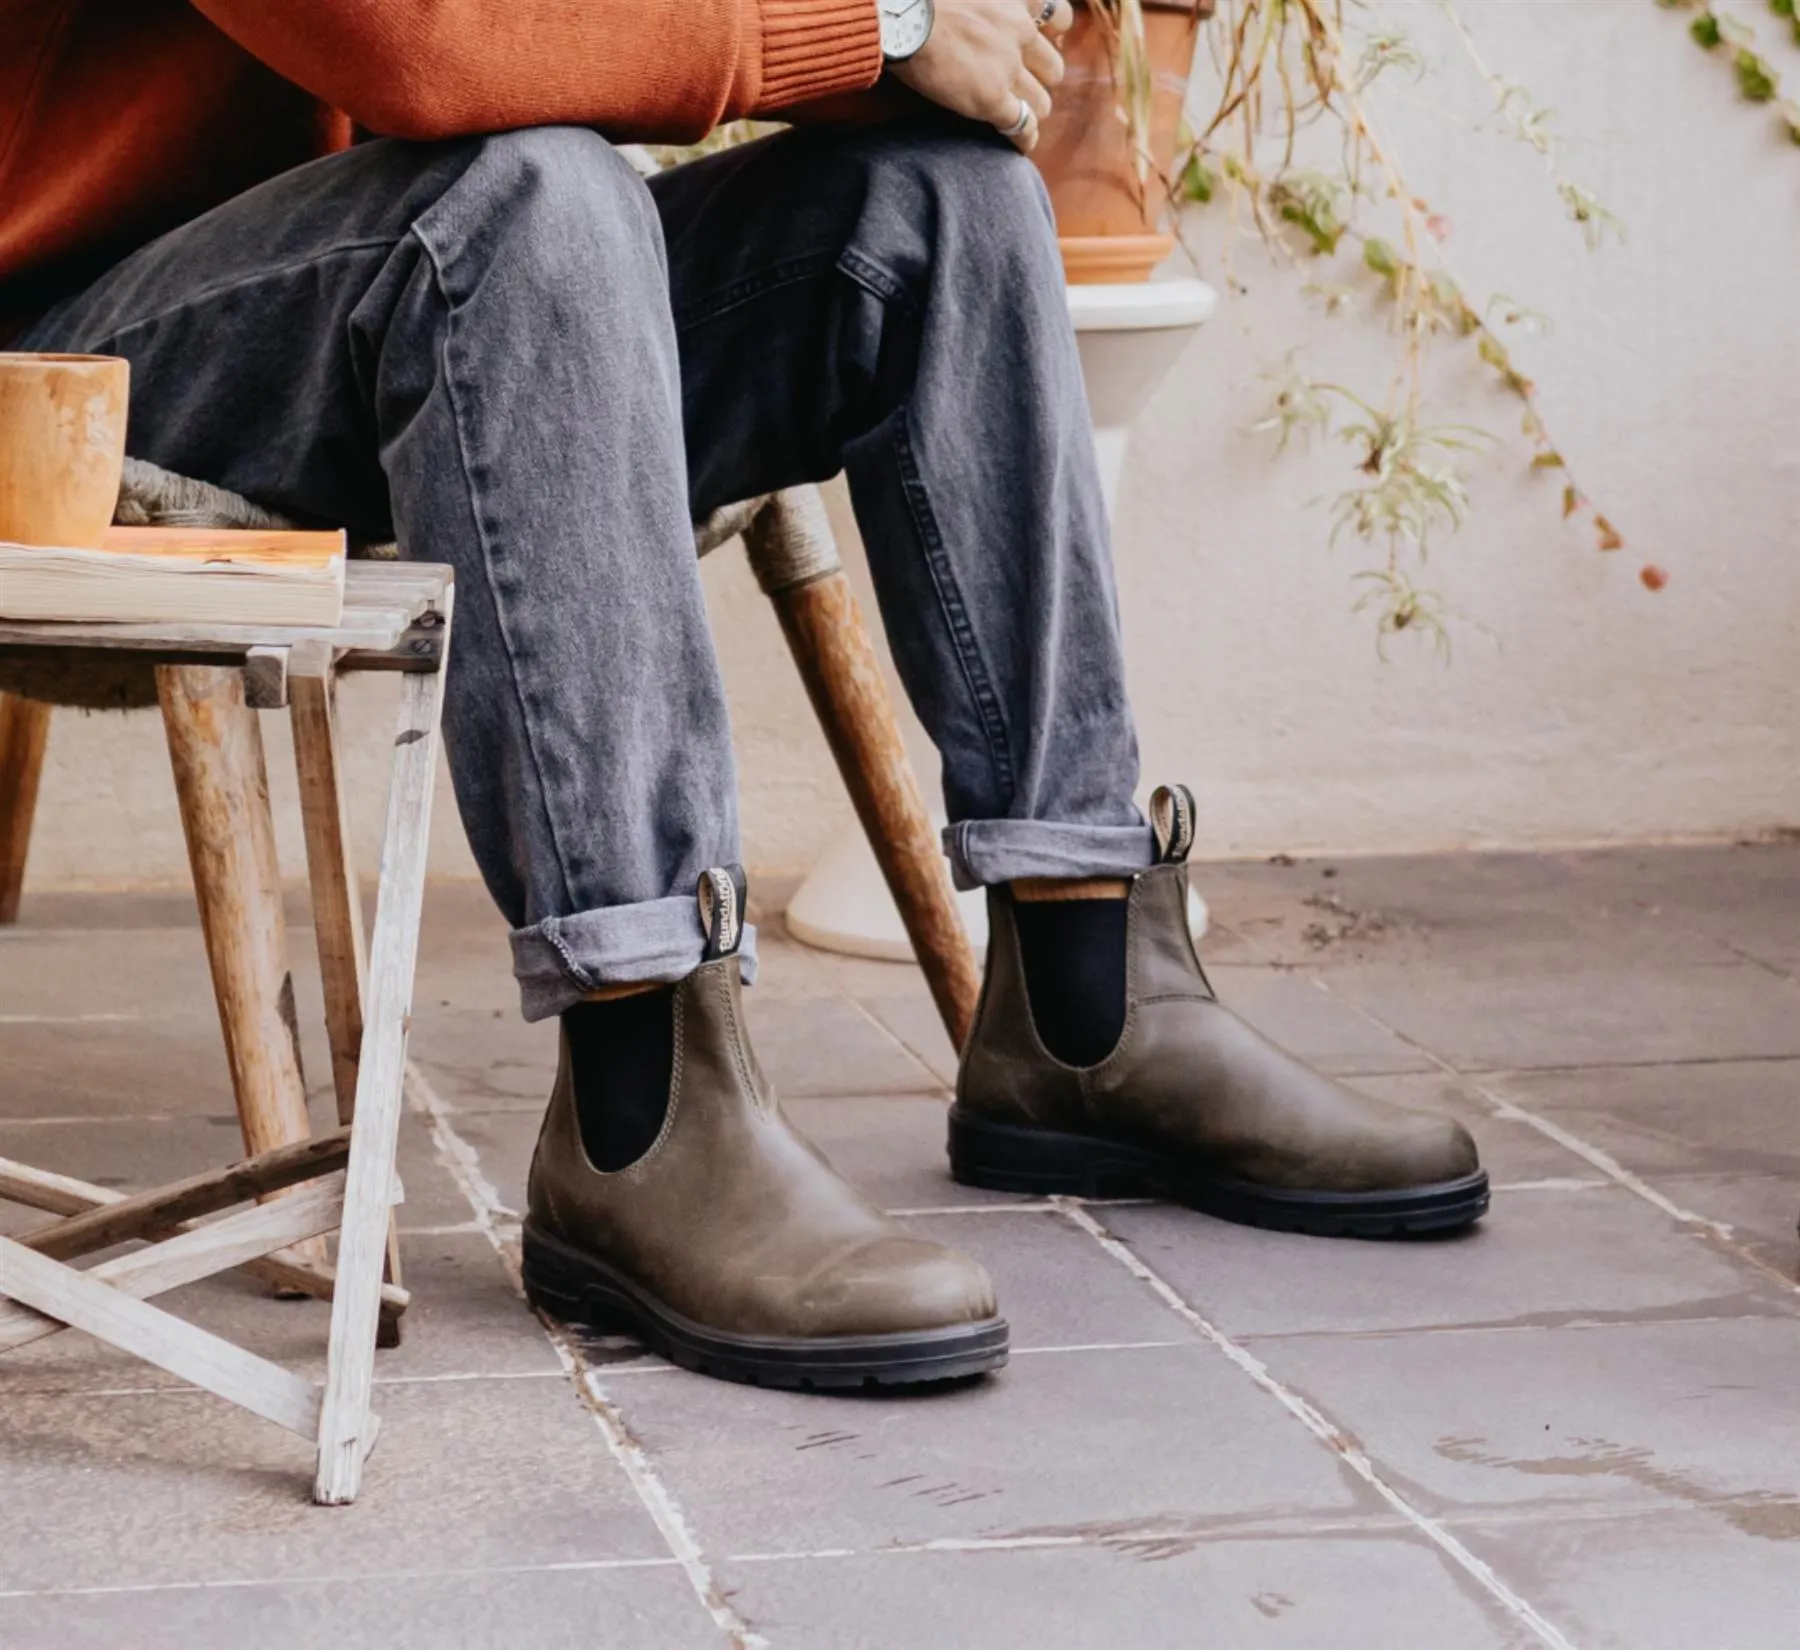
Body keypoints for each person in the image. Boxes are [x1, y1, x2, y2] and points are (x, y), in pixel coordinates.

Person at [0, 0, 1487, 1392]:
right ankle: (643, 1105)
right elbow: (424, 48)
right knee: (532, 199)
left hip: (342, 297)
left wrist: (904, 55)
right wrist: (884, 25)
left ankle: (1088, 1005)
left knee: (937, 196)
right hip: (55, 372)